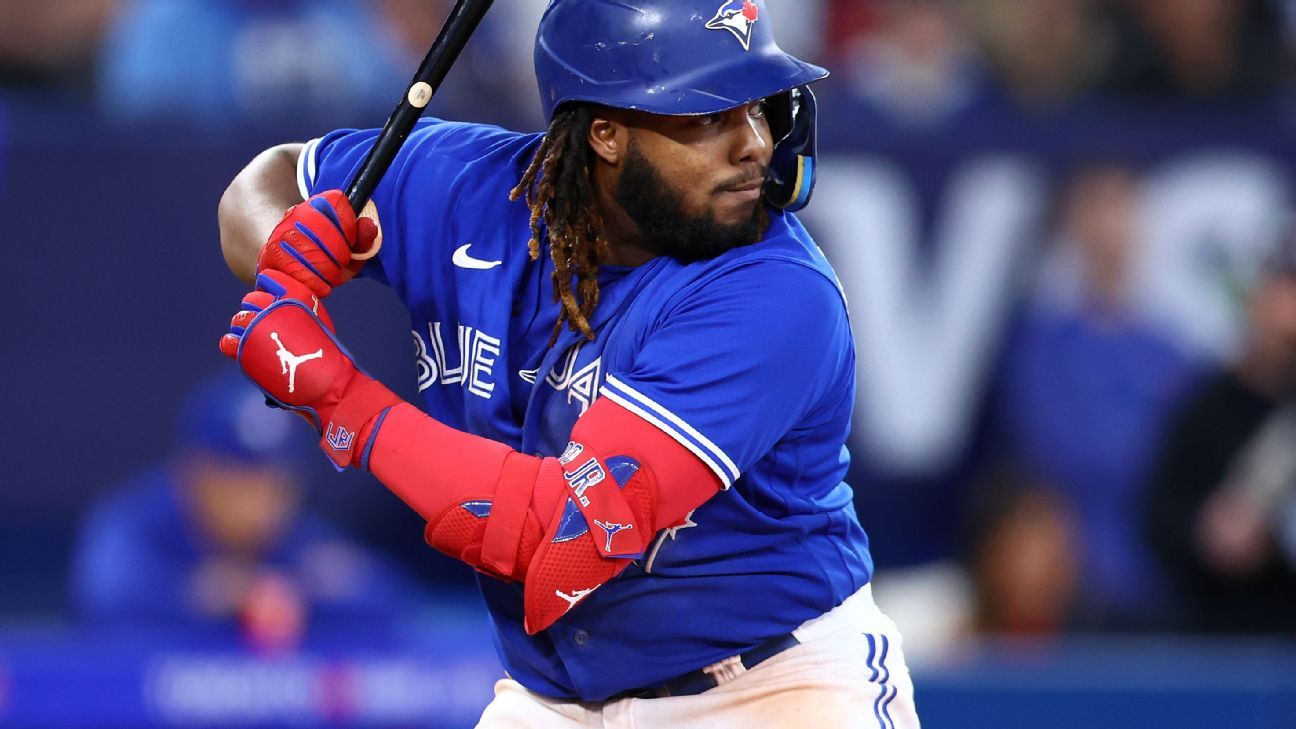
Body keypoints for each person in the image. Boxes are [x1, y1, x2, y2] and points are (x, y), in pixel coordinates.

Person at [216, 1, 920, 726]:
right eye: (708, 115)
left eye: (760, 108)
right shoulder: (466, 188)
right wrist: (286, 245)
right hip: (554, 695)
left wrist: (341, 404)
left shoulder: (774, 289)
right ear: (607, 133)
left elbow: (559, 542)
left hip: (769, 684)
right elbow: (264, 181)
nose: (754, 145)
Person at [71, 372, 427, 652]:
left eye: (271, 483)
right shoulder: (138, 521)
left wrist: (300, 591)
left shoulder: (293, 538)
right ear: (196, 473)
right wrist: (211, 597)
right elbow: (105, 598)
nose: (257, 503)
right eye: (238, 480)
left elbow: (386, 596)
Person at [1144, 235, 1296, 634]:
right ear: (1257, 299)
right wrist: (1206, 531)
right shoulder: (1205, 406)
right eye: (1285, 289)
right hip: (1224, 639)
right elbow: (1157, 517)